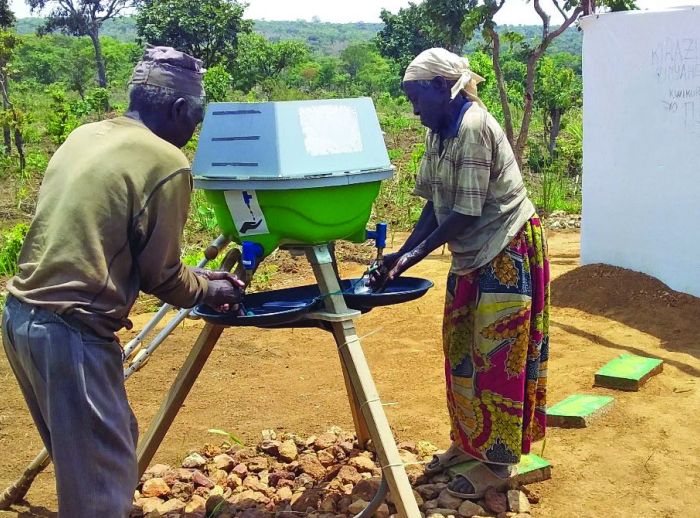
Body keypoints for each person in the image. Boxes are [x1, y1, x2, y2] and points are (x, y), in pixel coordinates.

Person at [1, 46, 244, 517]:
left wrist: (194, 277)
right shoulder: (165, 160)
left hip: (20, 318)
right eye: (194, 120)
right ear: (178, 110)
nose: (193, 134)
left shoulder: (84, 135)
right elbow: (164, 278)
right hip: (70, 332)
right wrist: (208, 288)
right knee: (99, 488)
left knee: (96, 455)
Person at [371, 48, 550, 498]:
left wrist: (411, 259)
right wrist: (399, 254)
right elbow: (435, 205)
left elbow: (466, 212)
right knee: (461, 351)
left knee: (497, 359)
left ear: (442, 89)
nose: (413, 110)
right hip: (472, 253)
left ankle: (498, 465)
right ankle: (467, 443)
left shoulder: (473, 127)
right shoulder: (440, 130)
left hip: (505, 248)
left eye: (416, 98)